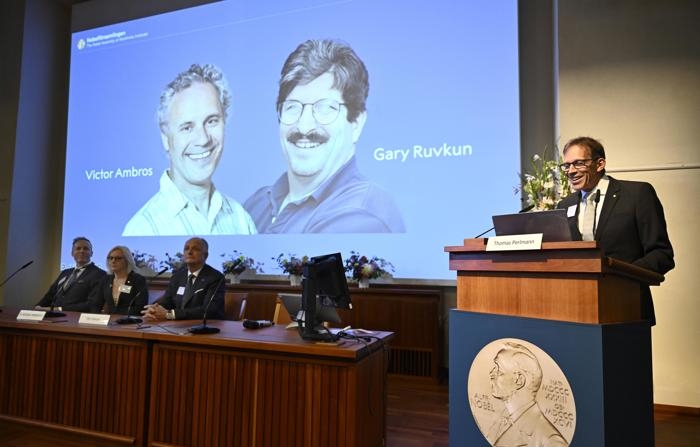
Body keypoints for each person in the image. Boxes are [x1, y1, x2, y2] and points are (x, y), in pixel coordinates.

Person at [244, 39, 405, 233]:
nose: (304, 126)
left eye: (325, 108)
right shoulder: (257, 203)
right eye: (292, 107)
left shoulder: (361, 214)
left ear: (356, 123)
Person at [123, 63, 256, 236]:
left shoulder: (240, 219)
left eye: (212, 121)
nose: (203, 139)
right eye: (187, 127)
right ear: (165, 137)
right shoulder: (142, 229)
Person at [556, 136, 674, 324]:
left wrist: (620, 277)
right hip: (576, 311)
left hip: (627, 307)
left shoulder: (637, 195)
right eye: (566, 165)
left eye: (578, 163)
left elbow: (661, 254)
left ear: (600, 163)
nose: (570, 171)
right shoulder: (565, 204)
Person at [486, 343, 568, 447]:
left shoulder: (551, 441)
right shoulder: (500, 421)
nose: (491, 373)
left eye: (498, 369)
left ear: (519, 380)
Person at [141, 237, 224, 321]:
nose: (190, 252)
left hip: (202, 326)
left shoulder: (215, 277)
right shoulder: (177, 276)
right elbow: (166, 302)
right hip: (176, 326)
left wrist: (171, 314)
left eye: (195, 249)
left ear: (205, 255)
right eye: (186, 249)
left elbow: (209, 310)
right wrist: (154, 310)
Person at [35, 236, 106, 312]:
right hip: (52, 316)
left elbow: (92, 304)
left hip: (74, 319)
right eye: (78, 248)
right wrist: (38, 307)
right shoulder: (65, 273)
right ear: (72, 253)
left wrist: (60, 309)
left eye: (86, 248)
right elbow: (50, 295)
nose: (82, 251)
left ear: (91, 253)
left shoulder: (100, 274)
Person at [86, 246, 148, 315]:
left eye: (118, 258)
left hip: (129, 321)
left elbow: (140, 307)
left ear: (127, 260)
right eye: (111, 258)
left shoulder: (138, 280)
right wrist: (97, 317)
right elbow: (96, 304)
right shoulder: (106, 280)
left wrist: (115, 315)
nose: (113, 261)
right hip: (109, 322)